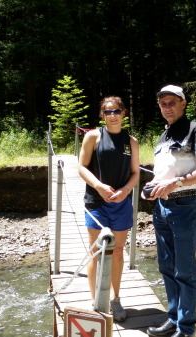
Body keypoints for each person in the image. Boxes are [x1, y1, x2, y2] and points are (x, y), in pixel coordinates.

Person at [142, 85, 196, 337]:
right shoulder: (163, 135)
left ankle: (186, 329)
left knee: (184, 270)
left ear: (183, 103)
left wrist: (174, 183)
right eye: (163, 103)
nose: (167, 107)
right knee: (166, 266)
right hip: (162, 206)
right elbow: (166, 172)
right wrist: (154, 185)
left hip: (186, 204)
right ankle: (173, 318)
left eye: (172, 102)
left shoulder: (195, 130)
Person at [78, 96, 140, 322]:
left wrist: (125, 190)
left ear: (124, 113)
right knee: (97, 252)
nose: (112, 115)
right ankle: (97, 301)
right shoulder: (93, 136)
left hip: (121, 204)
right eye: (107, 112)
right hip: (97, 202)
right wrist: (99, 186)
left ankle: (115, 299)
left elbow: (135, 173)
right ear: (102, 115)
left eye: (116, 111)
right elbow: (82, 167)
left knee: (117, 252)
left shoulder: (131, 141)